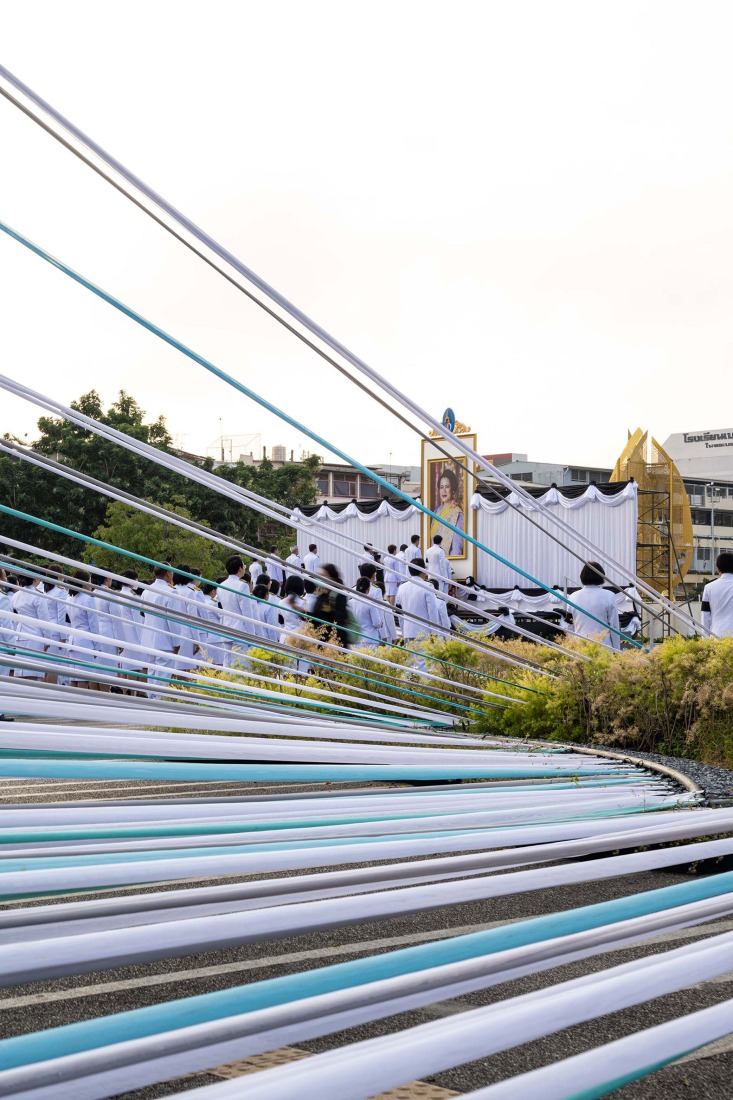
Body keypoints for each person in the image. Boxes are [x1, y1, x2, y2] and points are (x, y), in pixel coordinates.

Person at [139, 564, 182, 694]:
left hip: (148, 640)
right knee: (162, 680)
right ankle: (158, 704)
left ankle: (151, 703)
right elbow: (173, 621)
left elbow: (143, 612)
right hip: (164, 641)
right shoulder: (171, 591)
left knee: (152, 675)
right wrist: (177, 642)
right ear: (168, 573)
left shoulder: (147, 590)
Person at [11, 571, 53, 681]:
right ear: (34, 579)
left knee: (21, 673)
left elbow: (15, 620)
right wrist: (47, 640)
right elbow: (44, 619)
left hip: (20, 635)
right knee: (33, 671)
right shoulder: (37, 595)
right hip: (35, 635)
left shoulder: (16, 595)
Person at [570, 562, 621, 652]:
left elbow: (569, 625)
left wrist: (571, 645)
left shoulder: (573, 597)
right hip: (603, 646)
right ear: (601, 576)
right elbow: (614, 626)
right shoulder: (609, 596)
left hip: (580, 645)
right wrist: (617, 649)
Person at [111, 569, 145, 692]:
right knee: (134, 668)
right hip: (134, 635)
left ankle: (124, 691)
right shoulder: (132, 597)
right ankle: (131, 693)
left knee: (125, 666)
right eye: (136, 579)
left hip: (121, 633)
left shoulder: (118, 595)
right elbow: (137, 621)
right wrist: (142, 640)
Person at [66, 570, 101, 688]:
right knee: (84, 678)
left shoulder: (69, 598)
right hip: (85, 641)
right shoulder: (88, 599)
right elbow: (94, 624)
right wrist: (97, 646)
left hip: (73, 639)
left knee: (74, 677)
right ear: (85, 584)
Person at [218, 555, 253, 667]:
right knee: (240, 667)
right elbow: (247, 613)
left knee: (227, 665)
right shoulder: (242, 586)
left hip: (226, 628)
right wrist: (251, 636)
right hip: (240, 630)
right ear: (239, 568)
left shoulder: (221, 586)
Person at [396, 558, 441, 642]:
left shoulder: (402, 588)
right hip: (424, 632)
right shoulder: (427, 586)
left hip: (408, 632)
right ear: (422, 570)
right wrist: (434, 632)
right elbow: (432, 612)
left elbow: (399, 613)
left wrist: (403, 631)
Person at [313, 563, 352, 647]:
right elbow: (315, 617)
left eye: (323, 576)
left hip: (336, 642)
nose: (320, 578)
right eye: (319, 575)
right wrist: (300, 611)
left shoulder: (339, 595)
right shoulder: (321, 596)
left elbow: (341, 618)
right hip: (322, 641)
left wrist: (329, 607)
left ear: (332, 579)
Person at [429, 467, 464, 556]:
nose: (444, 491)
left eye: (447, 487)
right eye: (441, 487)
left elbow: (457, 546)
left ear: (452, 489)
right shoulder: (437, 510)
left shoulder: (458, 513)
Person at [701, 551, 733, 637]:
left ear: (718, 569)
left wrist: (705, 640)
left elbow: (705, 616)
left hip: (716, 636)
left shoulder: (708, 587)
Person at [359, 562, 391, 642]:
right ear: (373, 575)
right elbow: (379, 613)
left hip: (356, 634)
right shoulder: (376, 590)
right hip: (371, 634)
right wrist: (383, 635)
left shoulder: (353, 589)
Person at [350, 576, 384, 646]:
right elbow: (377, 623)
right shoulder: (370, 603)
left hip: (355, 638)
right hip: (370, 638)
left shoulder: (349, 603)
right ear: (368, 588)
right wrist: (381, 624)